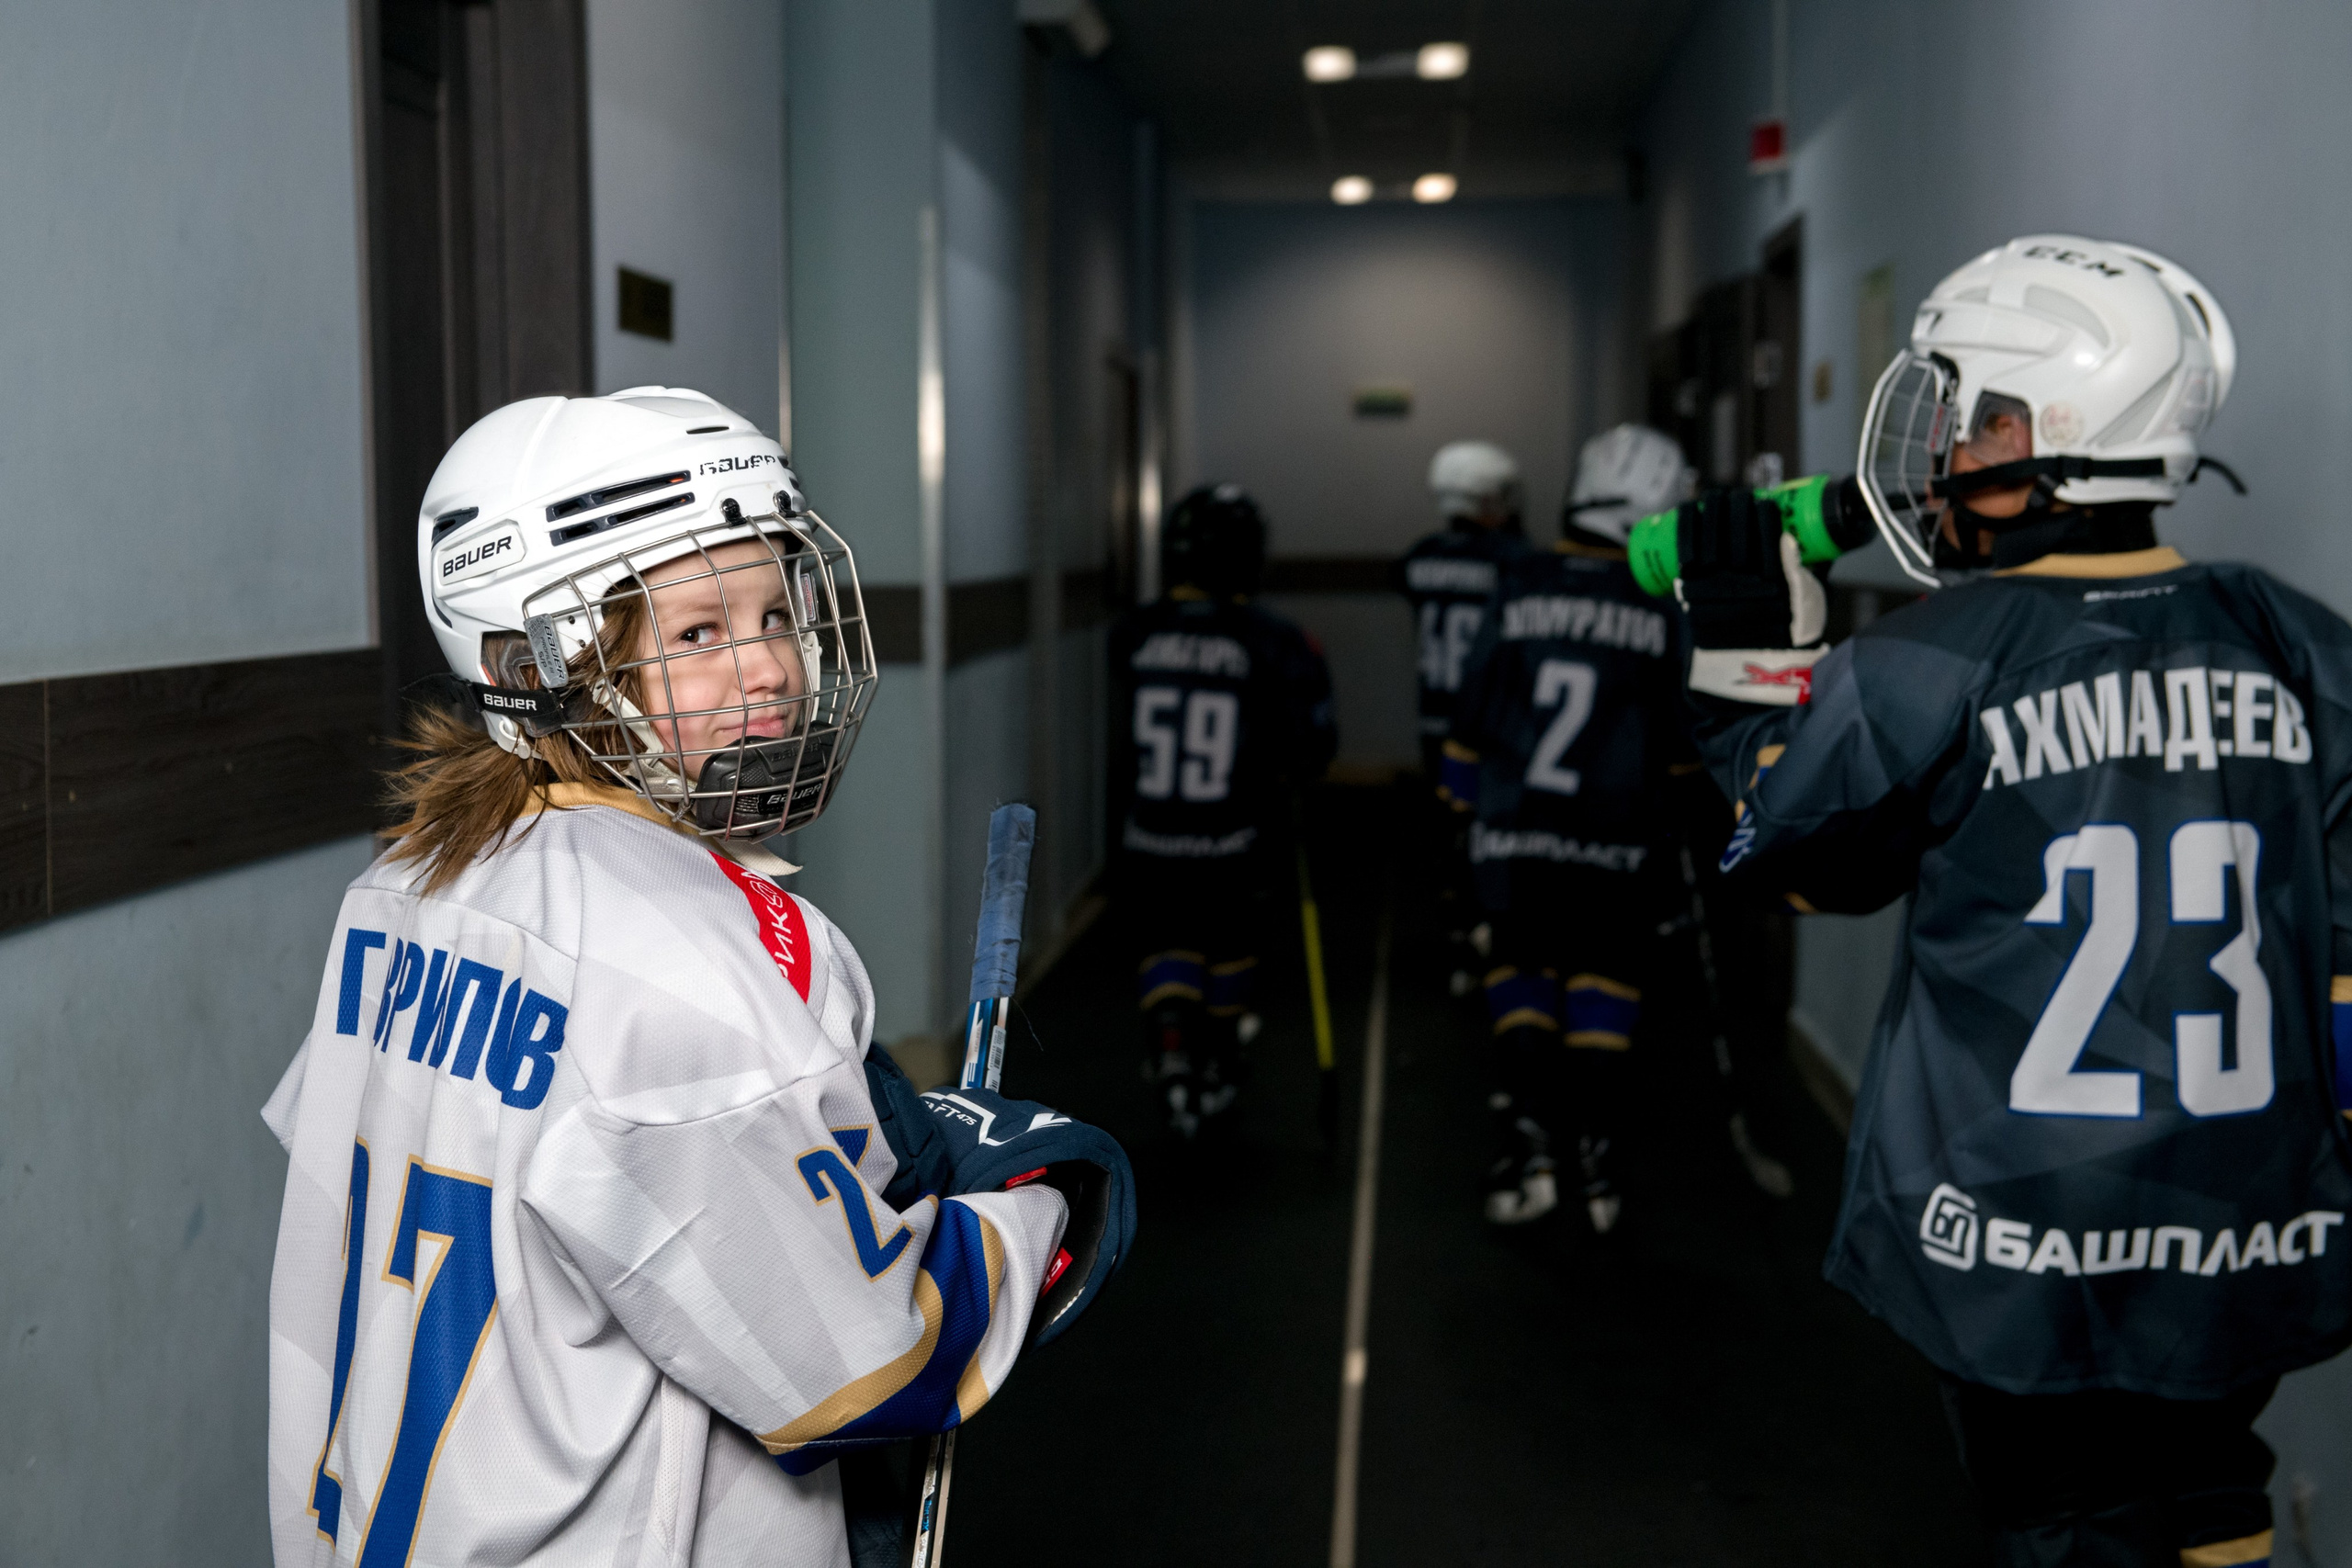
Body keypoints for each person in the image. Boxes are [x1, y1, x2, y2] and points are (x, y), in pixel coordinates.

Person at [263, 387, 1134, 1566]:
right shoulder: (700, 952)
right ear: (541, 662)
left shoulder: (401, 891)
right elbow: (861, 1364)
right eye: (697, 634)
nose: (770, 666)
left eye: (776, 611)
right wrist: (1023, 1214)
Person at [1667, 235, 2349, 1566]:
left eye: (1976, 418)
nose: (1948, 453)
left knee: (2060, 1504)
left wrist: (1741, 671)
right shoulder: (2303, 641)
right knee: (2213, 1475)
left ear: (2063, 428)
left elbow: (1795, 859)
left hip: (2024, 1218)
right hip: (2244, 1205)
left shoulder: (1934, 655)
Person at [1444, 424, 1696, 1232]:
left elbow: (1467, 726)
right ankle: (1594, 1154)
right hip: (1612, 834)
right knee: (1603, 977)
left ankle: (1529, 1148)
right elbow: (1682, 746)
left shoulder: (1516, 580)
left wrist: (1459, 820)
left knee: (1521, 975)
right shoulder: (1657, 604)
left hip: (1517, 832)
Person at [1108, 483, 1336, 1137]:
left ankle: (1174, 1054)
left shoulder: (1133, 632)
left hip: (1151, 833)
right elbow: (1313, 745)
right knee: (1229, 945)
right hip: (1233, 839)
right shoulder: (1273, 640)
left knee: (1166, 941)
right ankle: (1219, 1055)